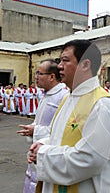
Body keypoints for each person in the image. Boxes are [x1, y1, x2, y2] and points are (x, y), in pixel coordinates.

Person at [27, 39, 110, 193]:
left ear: (85, 64)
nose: (59, 66)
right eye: (59, 61)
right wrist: (42, 143)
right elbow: (58, 135)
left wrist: (43, 155)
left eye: (65, 60)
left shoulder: (100, 104)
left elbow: (90, 159)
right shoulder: (67, 98)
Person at [17, 59, 69, 193]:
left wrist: (36, 130)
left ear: (52, 77)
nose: (36, 77)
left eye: (39, 73)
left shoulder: (63, 96)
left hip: (49, 152)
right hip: (36, 150)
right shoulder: (46, 95)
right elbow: (41, 121)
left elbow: (61, 129)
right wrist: (32, 128)